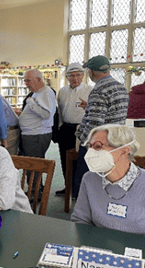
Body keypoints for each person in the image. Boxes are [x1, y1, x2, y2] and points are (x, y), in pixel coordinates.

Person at [74, 55, 129, 199]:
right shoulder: (121, 87)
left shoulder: (99, 90)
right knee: (109, 180)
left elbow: (95, 124)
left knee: (89, 181)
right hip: (115, 142)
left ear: (91, 72)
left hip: (99, 146)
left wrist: (83, 139)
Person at [55, 63, 93, 195]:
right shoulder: (62, 91)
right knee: (65, 159)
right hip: (65, 129)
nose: (75, 78)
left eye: (78, 75)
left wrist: (87, 106)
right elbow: (59, 111)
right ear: (67, 77)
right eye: (72, 75)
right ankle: (68, 187)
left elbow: (94, 111)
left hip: (82, 130)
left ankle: (80, 190)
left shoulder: (89, 90)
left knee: (80, 160)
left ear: (83, 76)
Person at [19, 69, 56, 199]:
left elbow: (46, 114)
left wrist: (30, 103)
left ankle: (34, 193)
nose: (26, 83)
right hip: (33, 134)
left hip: (36, 135)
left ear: (39, 79)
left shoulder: (46, 93)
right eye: (25, 80)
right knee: (33, 163)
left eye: (28, 80)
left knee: (32, 165)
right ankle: (35, 190)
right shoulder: (38, 93)